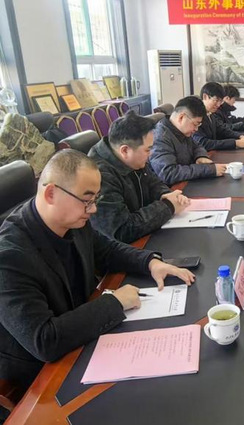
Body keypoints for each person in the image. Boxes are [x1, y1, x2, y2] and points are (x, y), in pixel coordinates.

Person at [0, 150, 195, 396]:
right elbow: (44, 340)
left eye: (95, 199)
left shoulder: (71, 218)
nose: (93, 209)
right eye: (87, 200)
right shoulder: (9, 256)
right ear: (51, 194)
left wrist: (150, 263)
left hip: (83, 333)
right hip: (44, 374)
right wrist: (114, 302)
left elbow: (107, 250)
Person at [89, 111, 190, 243]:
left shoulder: (132, 158)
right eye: (148, 150)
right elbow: (121, 231)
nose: (151, 154)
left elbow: (153, 182)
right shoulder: (99, 175)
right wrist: (168, 206)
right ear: (125, 150)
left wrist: (166, 194)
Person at [150, 96, 228, 185]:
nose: (196, 129)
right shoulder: (160, 137)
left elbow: (197, 145)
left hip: (188, 182)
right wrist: (208, 170)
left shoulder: (181, 130)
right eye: (195, 124)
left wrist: (200, 156)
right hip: (174, 189)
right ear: (181, 117)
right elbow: (168, 173)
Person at [193, 82, 244, 151]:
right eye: (216, 100)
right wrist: (235, 143)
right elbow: (203, 143)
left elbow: (222, 130)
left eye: (221, 101)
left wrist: (241, 136)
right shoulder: (196, 115)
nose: (218, 105)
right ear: (205, 97)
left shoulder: (210, 113)